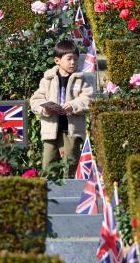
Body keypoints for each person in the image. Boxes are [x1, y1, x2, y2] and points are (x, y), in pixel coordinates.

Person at [30, 40, 93, 177]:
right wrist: (44, 109)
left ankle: (69, 192)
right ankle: (48, 193)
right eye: (69, 59)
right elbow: (35, 100)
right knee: (48, 164)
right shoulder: (48, 79)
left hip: (71, 130)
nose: (73, 63)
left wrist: (74, 105)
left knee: (70, 163)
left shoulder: (81, 79)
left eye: (75, 59)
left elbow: (88, 99)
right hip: (51, 129)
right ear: (57, 60)